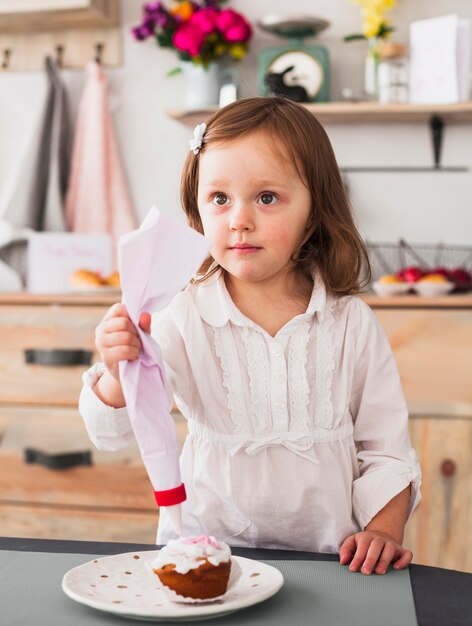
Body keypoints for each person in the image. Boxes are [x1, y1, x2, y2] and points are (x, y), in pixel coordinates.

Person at [79, 96, 421, 576]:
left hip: (331, 561)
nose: (239, 218)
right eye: (220, 199)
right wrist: (117, 373)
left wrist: (383, 531)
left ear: (315, 211)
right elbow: (113, 432)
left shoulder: (351, 323)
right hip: (208, 561)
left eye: (266, 197)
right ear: (198, 212)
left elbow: (386, 449)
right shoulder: (179, 316)